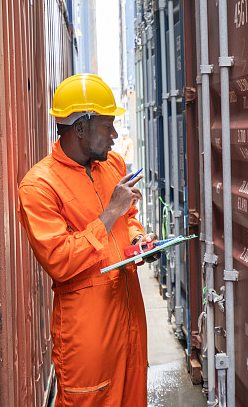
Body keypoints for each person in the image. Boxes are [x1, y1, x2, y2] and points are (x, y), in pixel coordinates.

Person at [18, 74, 156, 406]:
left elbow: (129, 220)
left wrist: (139, 242)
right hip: (88, 335)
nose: (114, 135)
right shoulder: (39, 187)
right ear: (81, 128)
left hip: (130, 319)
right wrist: (109, 213)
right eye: (107, 126)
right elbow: (60, 261)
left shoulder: (112, 166)